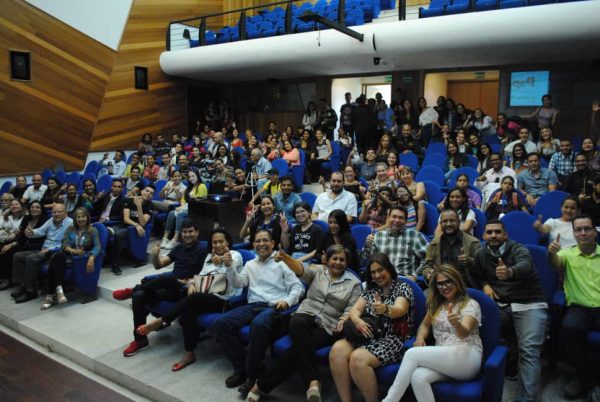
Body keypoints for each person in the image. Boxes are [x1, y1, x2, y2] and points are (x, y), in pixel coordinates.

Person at [245, 245, 361, 402]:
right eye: (334, 258)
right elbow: (301, 270)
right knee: (297, 321)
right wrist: (286, 258)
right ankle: (313, 381)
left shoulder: (354, 283)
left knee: (296, 351)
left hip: (329, 323)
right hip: (306, 314)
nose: (338, 262)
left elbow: (351, 308)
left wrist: (343, 320)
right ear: (328, 260)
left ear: (347, 263)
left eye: (342, 260)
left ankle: (261, 385)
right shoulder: (318, 270)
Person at [134, 228, 243, 370]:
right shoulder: (209, 257)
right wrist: (192, 284)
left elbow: (231, 263)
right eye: (214, 242)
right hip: (203, 294)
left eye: (221, 241)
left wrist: (222, 260)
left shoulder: (235, 255)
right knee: (186, 306)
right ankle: (189, 353)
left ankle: (162, 320)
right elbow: (201, 276)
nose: (217, 245)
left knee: (193, 298)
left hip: (222, 300)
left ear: (228, 242)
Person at [213, 229, 305, 393]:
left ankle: (253, 375)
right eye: (258, 241)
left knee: (258, 324)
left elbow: (298, 288)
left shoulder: (282, 262)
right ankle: (242, 368)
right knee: (221, 322)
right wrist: (229, 266)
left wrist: (287, 301)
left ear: (273, 243)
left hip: (274, 307)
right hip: (253, 305)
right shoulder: (250, 264)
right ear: (253, 244)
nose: (261, 244)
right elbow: (238, 283)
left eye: (265, 241)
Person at [382, 264, 483, 402]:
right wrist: (420, 337)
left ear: (457, 282)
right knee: (418, 376)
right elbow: (425, 325)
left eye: (448, 281)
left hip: (467, 357)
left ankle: (390, 400)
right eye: (440, 284)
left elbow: (464, 333)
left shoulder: (470, 304)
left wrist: (457, 324)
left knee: (412, 354)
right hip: (447, 361)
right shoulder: (437, 306)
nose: (444, 287)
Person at [472, 220, 548, 402]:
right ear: (483, 235)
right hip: (502, 304)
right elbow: (478, 274)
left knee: (529, 350)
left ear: (505, 235)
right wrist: (485, 285)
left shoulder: (518, 249)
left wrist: (510, 272)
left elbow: (526, 265)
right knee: (477, 328)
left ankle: (528, 399)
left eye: (497, 232)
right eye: (489, 232)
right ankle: (505, 366)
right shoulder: (480, 254)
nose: (493, 235)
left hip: (528, 302)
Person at [113, 219, 206, 357]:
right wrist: (155, 256)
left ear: (197, 232)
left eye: (191, 231)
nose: (187, 235)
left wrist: (190, 281)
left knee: (168, 278)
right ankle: (140, 340)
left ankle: (134, 289)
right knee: (139, 296)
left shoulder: (204, 248)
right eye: (185, 232)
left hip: (188, 290)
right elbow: (159, 265)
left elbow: (208, 272)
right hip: (171, 288)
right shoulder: (179, 248)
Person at [329, 252, 415, 402]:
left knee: (358, 358)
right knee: (337, 350)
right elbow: (354, 310)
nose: (377, 275)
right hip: (368, 334)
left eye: (380, 270)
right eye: (373, 272)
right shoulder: (371, 290)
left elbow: (399, 310)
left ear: (389, 269)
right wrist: (357, 321)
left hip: (393, 340)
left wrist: (385, 309)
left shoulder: (403, 287)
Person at [548, 214, 600, 400]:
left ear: (595, 232)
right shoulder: (567, 253)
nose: (583, 233)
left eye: (587, 229)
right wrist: (551, 252)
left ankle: (588, 379)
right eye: (578, 229)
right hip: (579, 308)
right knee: (569, 329)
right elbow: (555, 262)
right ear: (574, 233)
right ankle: (586, 379)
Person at [11, 204, 73, 303]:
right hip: (44, 249)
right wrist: (31, 232)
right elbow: (40, 231)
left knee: (31, 258)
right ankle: (22, 285)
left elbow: (68, 243)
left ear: (66, 213)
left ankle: (31, 291)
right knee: (18, 256)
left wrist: (50, 250)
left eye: (60, 212)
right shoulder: (51, 220)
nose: (56, 214)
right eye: (54, 212)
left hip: (56, 252)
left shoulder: (70, 223)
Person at [41, 208, 100, 310]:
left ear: (87, 218)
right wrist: (73, 251)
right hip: (69, 256)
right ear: (75, 219)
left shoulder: (93, 230)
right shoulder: (70, 229)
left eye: (83, 216)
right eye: (78, 217)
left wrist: (91, 258)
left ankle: (50, 296)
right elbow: (64, 244)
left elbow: (97, 247)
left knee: (54, 264)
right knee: (58, 256)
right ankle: (59, 289)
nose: (81, 219)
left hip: (81, 259)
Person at [362, 205, 428, 279]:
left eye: (401, 218)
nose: (396, 220)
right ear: (388, 218)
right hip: (382, 280)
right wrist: (367, 247)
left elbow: (428, 259)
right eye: (394, 217)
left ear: (406, 221)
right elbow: (365, 262)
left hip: (405, 279)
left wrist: (416, 275)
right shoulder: (378, 236)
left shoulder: (414, 235)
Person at [423, 209, 481, 286]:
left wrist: (469, 261)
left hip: (465, 286)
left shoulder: (473, 242)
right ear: (440, 224)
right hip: (441, 286)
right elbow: (427, 266)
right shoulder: (433, 244)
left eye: (452, 220)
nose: (448, 224)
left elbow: (482, 268)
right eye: (445, 221)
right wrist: (428, 273)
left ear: (459, 222)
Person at [0, 201, 46, 291]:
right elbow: (20, 235)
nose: (34, 209)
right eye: (32, 207)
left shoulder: (44, 221)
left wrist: (12, 244)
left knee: (10, 253)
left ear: (41, 210)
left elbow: (41, 237)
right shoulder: (26, 219)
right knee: (3, 249)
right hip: (23, 244)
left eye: (37, 207)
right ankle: (11, 280)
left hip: (35, 247)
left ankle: (8, 279)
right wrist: (12, 243)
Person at [109, 185, 155, 275]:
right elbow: (126, 219)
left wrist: (139, 207)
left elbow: (143, 223)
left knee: (118, 235)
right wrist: (136, 224)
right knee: (105, 233)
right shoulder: (129, 200)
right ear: (141, 191)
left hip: (133, 230)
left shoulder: (150, 206)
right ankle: (105, 259)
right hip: (124, 225)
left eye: (151, 193)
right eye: (147, 191)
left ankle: (114, 264)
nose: (148, 194)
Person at [160, 169, 207, 249]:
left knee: (180, 215)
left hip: (195, 210)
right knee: (171, 213)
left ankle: (175, 239)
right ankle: (165, 238)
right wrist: (182, 205)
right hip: (186, 208)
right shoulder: (190, 186)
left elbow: (198, 202)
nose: (191, 178)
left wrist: (184, 207)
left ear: (197, 176)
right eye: (189, 177)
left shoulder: (201, 186)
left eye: (193, 176)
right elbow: (183, 199)